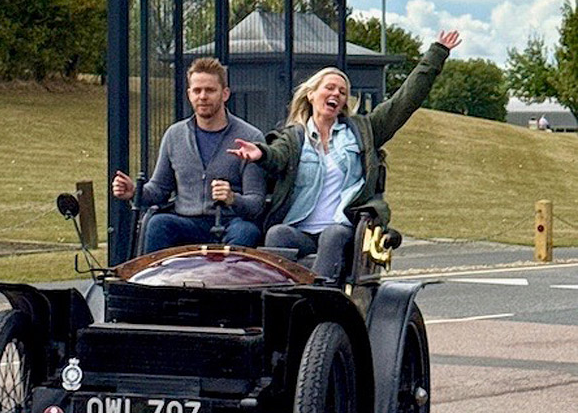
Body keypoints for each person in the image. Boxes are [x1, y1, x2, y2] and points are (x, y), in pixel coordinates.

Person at [229, 29, 462, 280]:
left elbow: (405, 100)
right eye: (330, 88)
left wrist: (437, 53)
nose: (336, 95)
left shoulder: (363, 131)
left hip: (344, 228)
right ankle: (279, 300)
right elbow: (278, 156)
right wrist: (261, 153)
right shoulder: (294, 137)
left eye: (342, 92)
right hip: (302, 230)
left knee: (333, 234)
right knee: (277, 234)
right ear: (311, 94)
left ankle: (319, 299)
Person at [112, 57, 266, 252]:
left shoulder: (249, 137)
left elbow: (256, 203)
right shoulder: (174, 135)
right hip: (186, 221)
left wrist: (232, 198)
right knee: (158, 224)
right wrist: (135, 192)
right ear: (189, 94)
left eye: (210, 90)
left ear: (225, 94)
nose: (203, 96)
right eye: (197, 90)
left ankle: (222, 281)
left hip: (230, 222)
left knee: (247, 232)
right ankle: (153, 282)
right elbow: (159, 189)